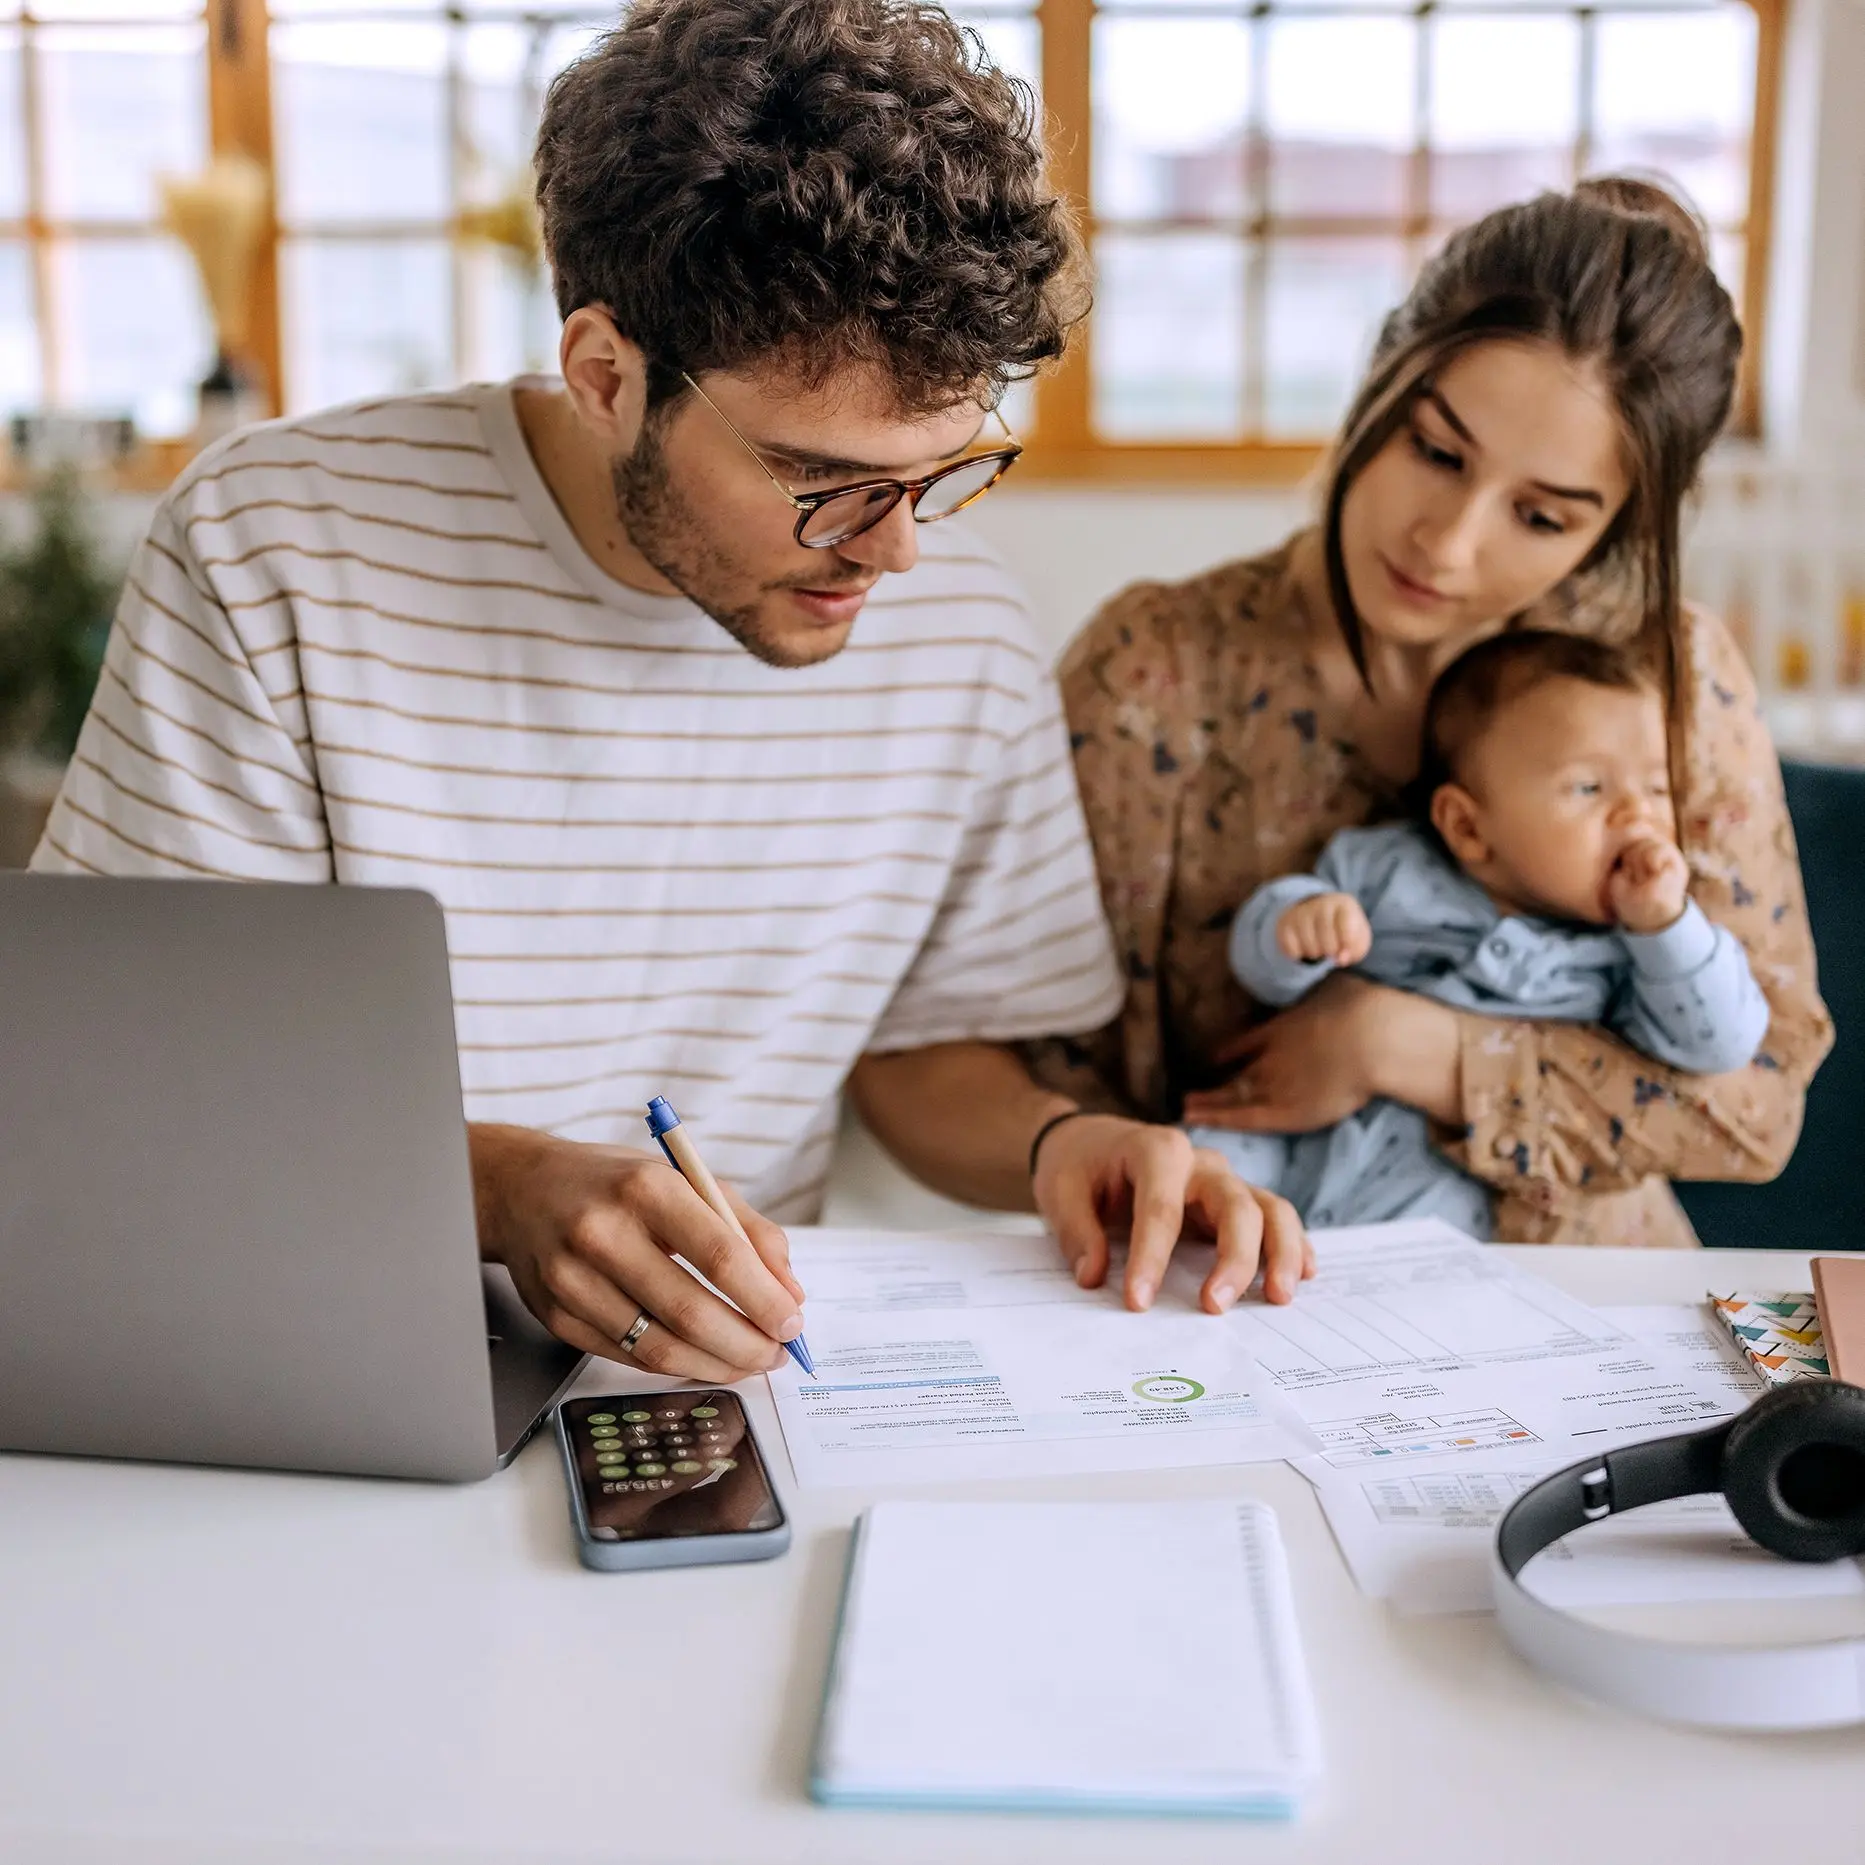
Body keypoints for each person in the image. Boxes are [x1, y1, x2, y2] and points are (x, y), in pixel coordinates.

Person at [32, 0, 1312, 1382]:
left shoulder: (961, 629)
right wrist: (503, 1190)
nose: (896, 549)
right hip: (327, 1348)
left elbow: (921, 1057)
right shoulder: (277, 544)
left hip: (734, 1386)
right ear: (604, 374)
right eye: (821, 484)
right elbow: (140, 1089)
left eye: (944, 469)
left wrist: (1067, 1144)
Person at [1042, 175, 1833, 1253]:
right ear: (1379, 370)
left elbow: (1756, 1105)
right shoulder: (1153, 674)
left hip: (1594, 1320)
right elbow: (1023, 1076)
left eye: (1540, 514)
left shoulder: (1669, 676)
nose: (1447, 542)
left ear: (1608, 532)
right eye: (1434, 451)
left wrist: (1404, 1044)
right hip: (1240, 1294)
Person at [1186, 629, 1771, 1236]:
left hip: (1440, 1172)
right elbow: (1262, 975)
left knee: (1430, 1243)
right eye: (1589, 788)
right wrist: (1295, 926)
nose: (1637, 815)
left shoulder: (1631, 952)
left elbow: (1719, 1044)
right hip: (1301, 1133)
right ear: (1467, 827)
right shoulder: (1388, 868)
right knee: (1201, 1162)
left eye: (1657, 788)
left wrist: (1666, 927)